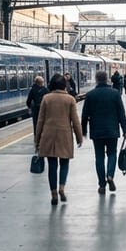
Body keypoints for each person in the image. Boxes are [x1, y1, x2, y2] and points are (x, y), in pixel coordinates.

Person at [36, 73, 84, 205]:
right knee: (64, 163)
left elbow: (40, 120)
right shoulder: (70, 100)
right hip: (65, 135)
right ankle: (62, 187)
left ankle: (53, 193)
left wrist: (37, 139)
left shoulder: (46, 98)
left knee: (52, 165)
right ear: (65, 85)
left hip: (48, 135)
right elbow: (75, 121)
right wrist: (79, 137)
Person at [81, 70, 126, 194]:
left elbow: (84, 114)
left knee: (99, 157)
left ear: (96, 80)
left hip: (96, 131)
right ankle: (110, 176)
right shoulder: (115, 93)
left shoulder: (91, 95)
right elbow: (121, 113)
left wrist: (83, 130)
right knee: (112, 154)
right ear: (107, 79)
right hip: (112, 130)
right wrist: (125, 129)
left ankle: (102, 184)